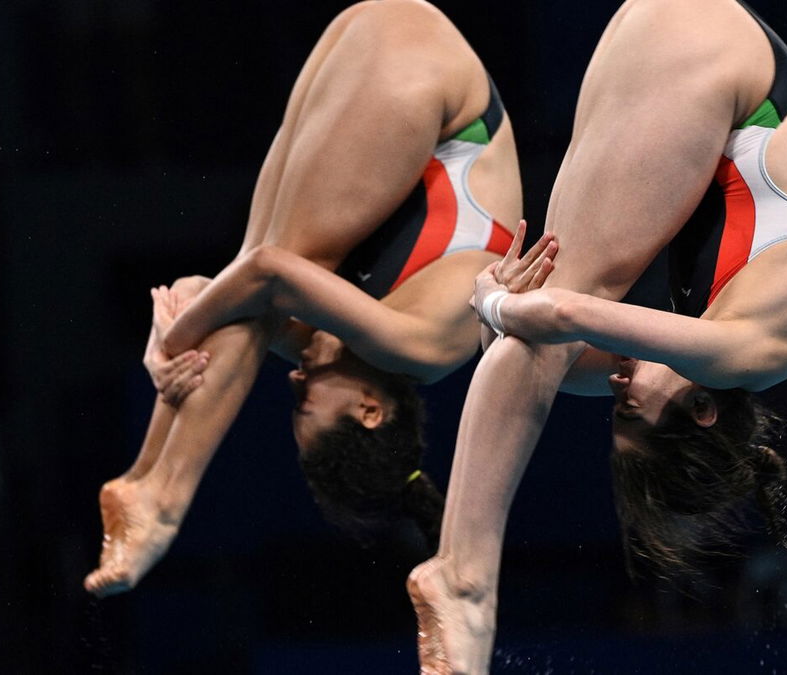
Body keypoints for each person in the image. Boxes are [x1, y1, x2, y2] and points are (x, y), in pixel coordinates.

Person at [406, 0, 787, 672]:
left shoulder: (701, 354)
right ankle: (465, 574)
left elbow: (531, 345)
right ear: (701, 410)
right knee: (561, 316)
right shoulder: (759, 348)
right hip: (717, 60)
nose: (617, 384)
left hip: (691, 46)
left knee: (547, 341)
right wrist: (494, 301)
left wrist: (498, 310)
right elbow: (555, 319)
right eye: (629, 407)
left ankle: (462, 569)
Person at [84, 0, 541, 597]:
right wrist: (176, 339)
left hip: (367, 39)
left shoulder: (341, 334)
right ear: (371, 410)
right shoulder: (425, 346)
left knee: (260, 273)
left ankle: (144, 471)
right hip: (441, 89)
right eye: (307, 405)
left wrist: (167, 343)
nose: (295, 382)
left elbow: (212, 293)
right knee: (278, 267)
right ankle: (164, 495)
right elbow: (268, 275)